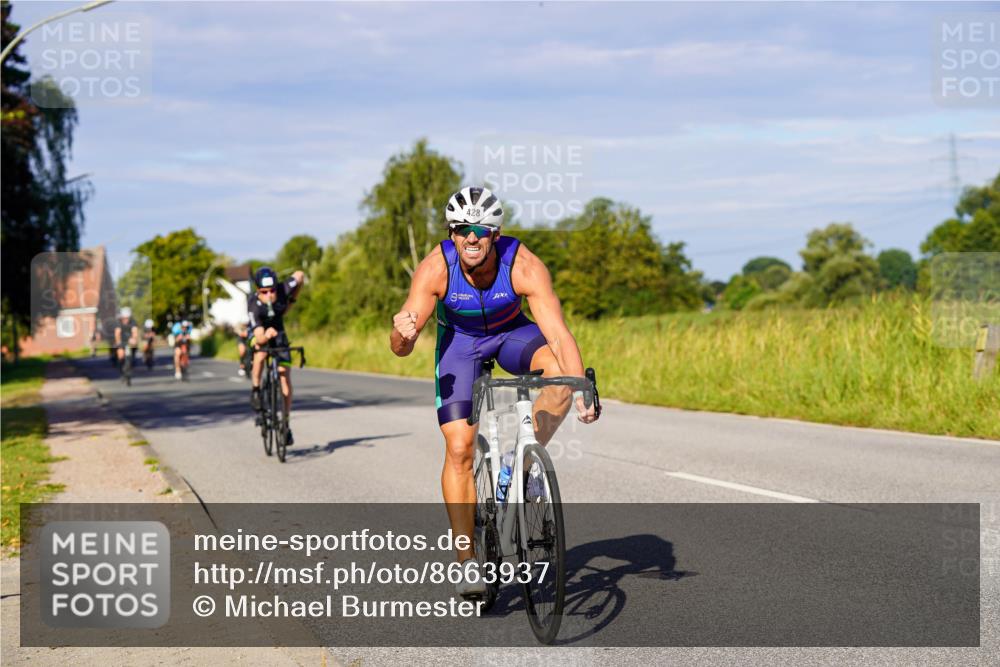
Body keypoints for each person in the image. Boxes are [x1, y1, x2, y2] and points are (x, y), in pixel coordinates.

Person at [389, 186, 599, 598]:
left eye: (480, 230)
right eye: (462, 228)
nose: (471, 237)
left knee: (557, 378)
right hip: (460, 343)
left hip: (511, 333)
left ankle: (519, 464)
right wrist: (403, 336)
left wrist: (580, 390)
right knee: (460, 449)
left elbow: (556, 332)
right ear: (452, 233)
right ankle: (466, 562)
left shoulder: (524, 265)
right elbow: (400, 348)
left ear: (495, 235)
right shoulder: (435, 269)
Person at [248, 266, 304, 445]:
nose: (270, 295)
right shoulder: (253, 305)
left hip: (279, 331)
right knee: (261, 354)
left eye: (272, 290)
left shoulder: (283, 289)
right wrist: (266, 335)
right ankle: (256, 389)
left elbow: (300, 275)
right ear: (258, 291)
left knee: (285, 379)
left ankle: (285, 424)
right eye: (264, 292)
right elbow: (258, 335)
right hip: (261, 332)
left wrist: (292, 300)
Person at [113, 307, 139, 372]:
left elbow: (135, 331)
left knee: (133, 350)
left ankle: (131, 362)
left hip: (130, 340)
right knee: (121, 355)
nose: (126, 320)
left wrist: (134, 339)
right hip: (121, 340)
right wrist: (118, 342)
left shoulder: (133, 322)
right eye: (124, 318)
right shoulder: (118, 322)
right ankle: (121, 368)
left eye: (127, 318)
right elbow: (117, 333)